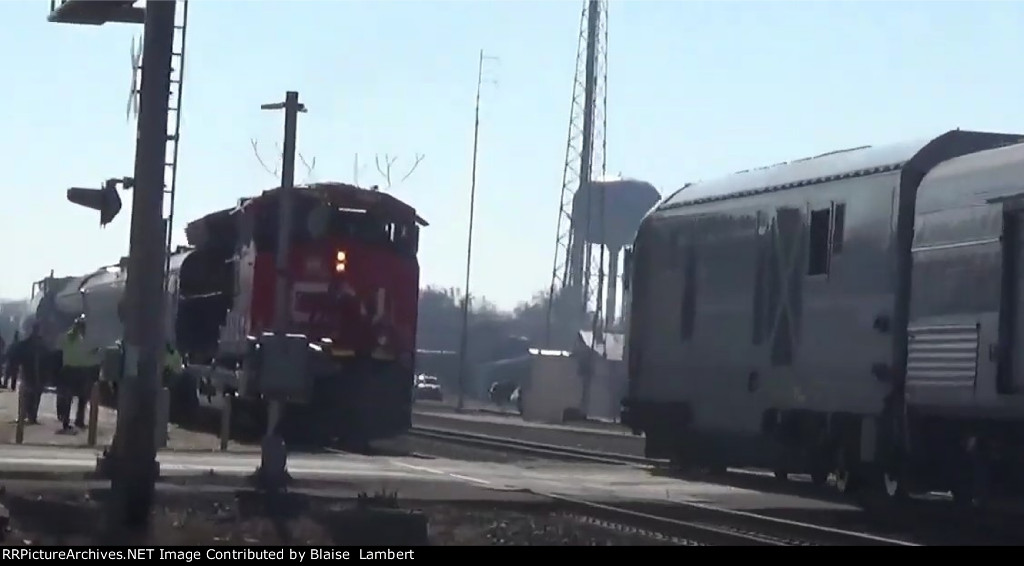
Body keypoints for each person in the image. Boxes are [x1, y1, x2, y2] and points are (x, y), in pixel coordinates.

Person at [57, 316, 99, 433]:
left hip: (72, 370)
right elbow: (93, 354)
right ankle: (76, 421)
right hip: (78, 370)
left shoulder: (68, 336)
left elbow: (59, 347)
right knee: (80, 397)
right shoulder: (85, 339)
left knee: (72, 397)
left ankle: (69, 421)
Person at [6, 324, 46, 424]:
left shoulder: (39, 344)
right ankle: (27, 416)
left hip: (35, 373)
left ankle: (29, 416)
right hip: (30, 372)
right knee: (29, 395)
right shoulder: (36, 344)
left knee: (32, 395)